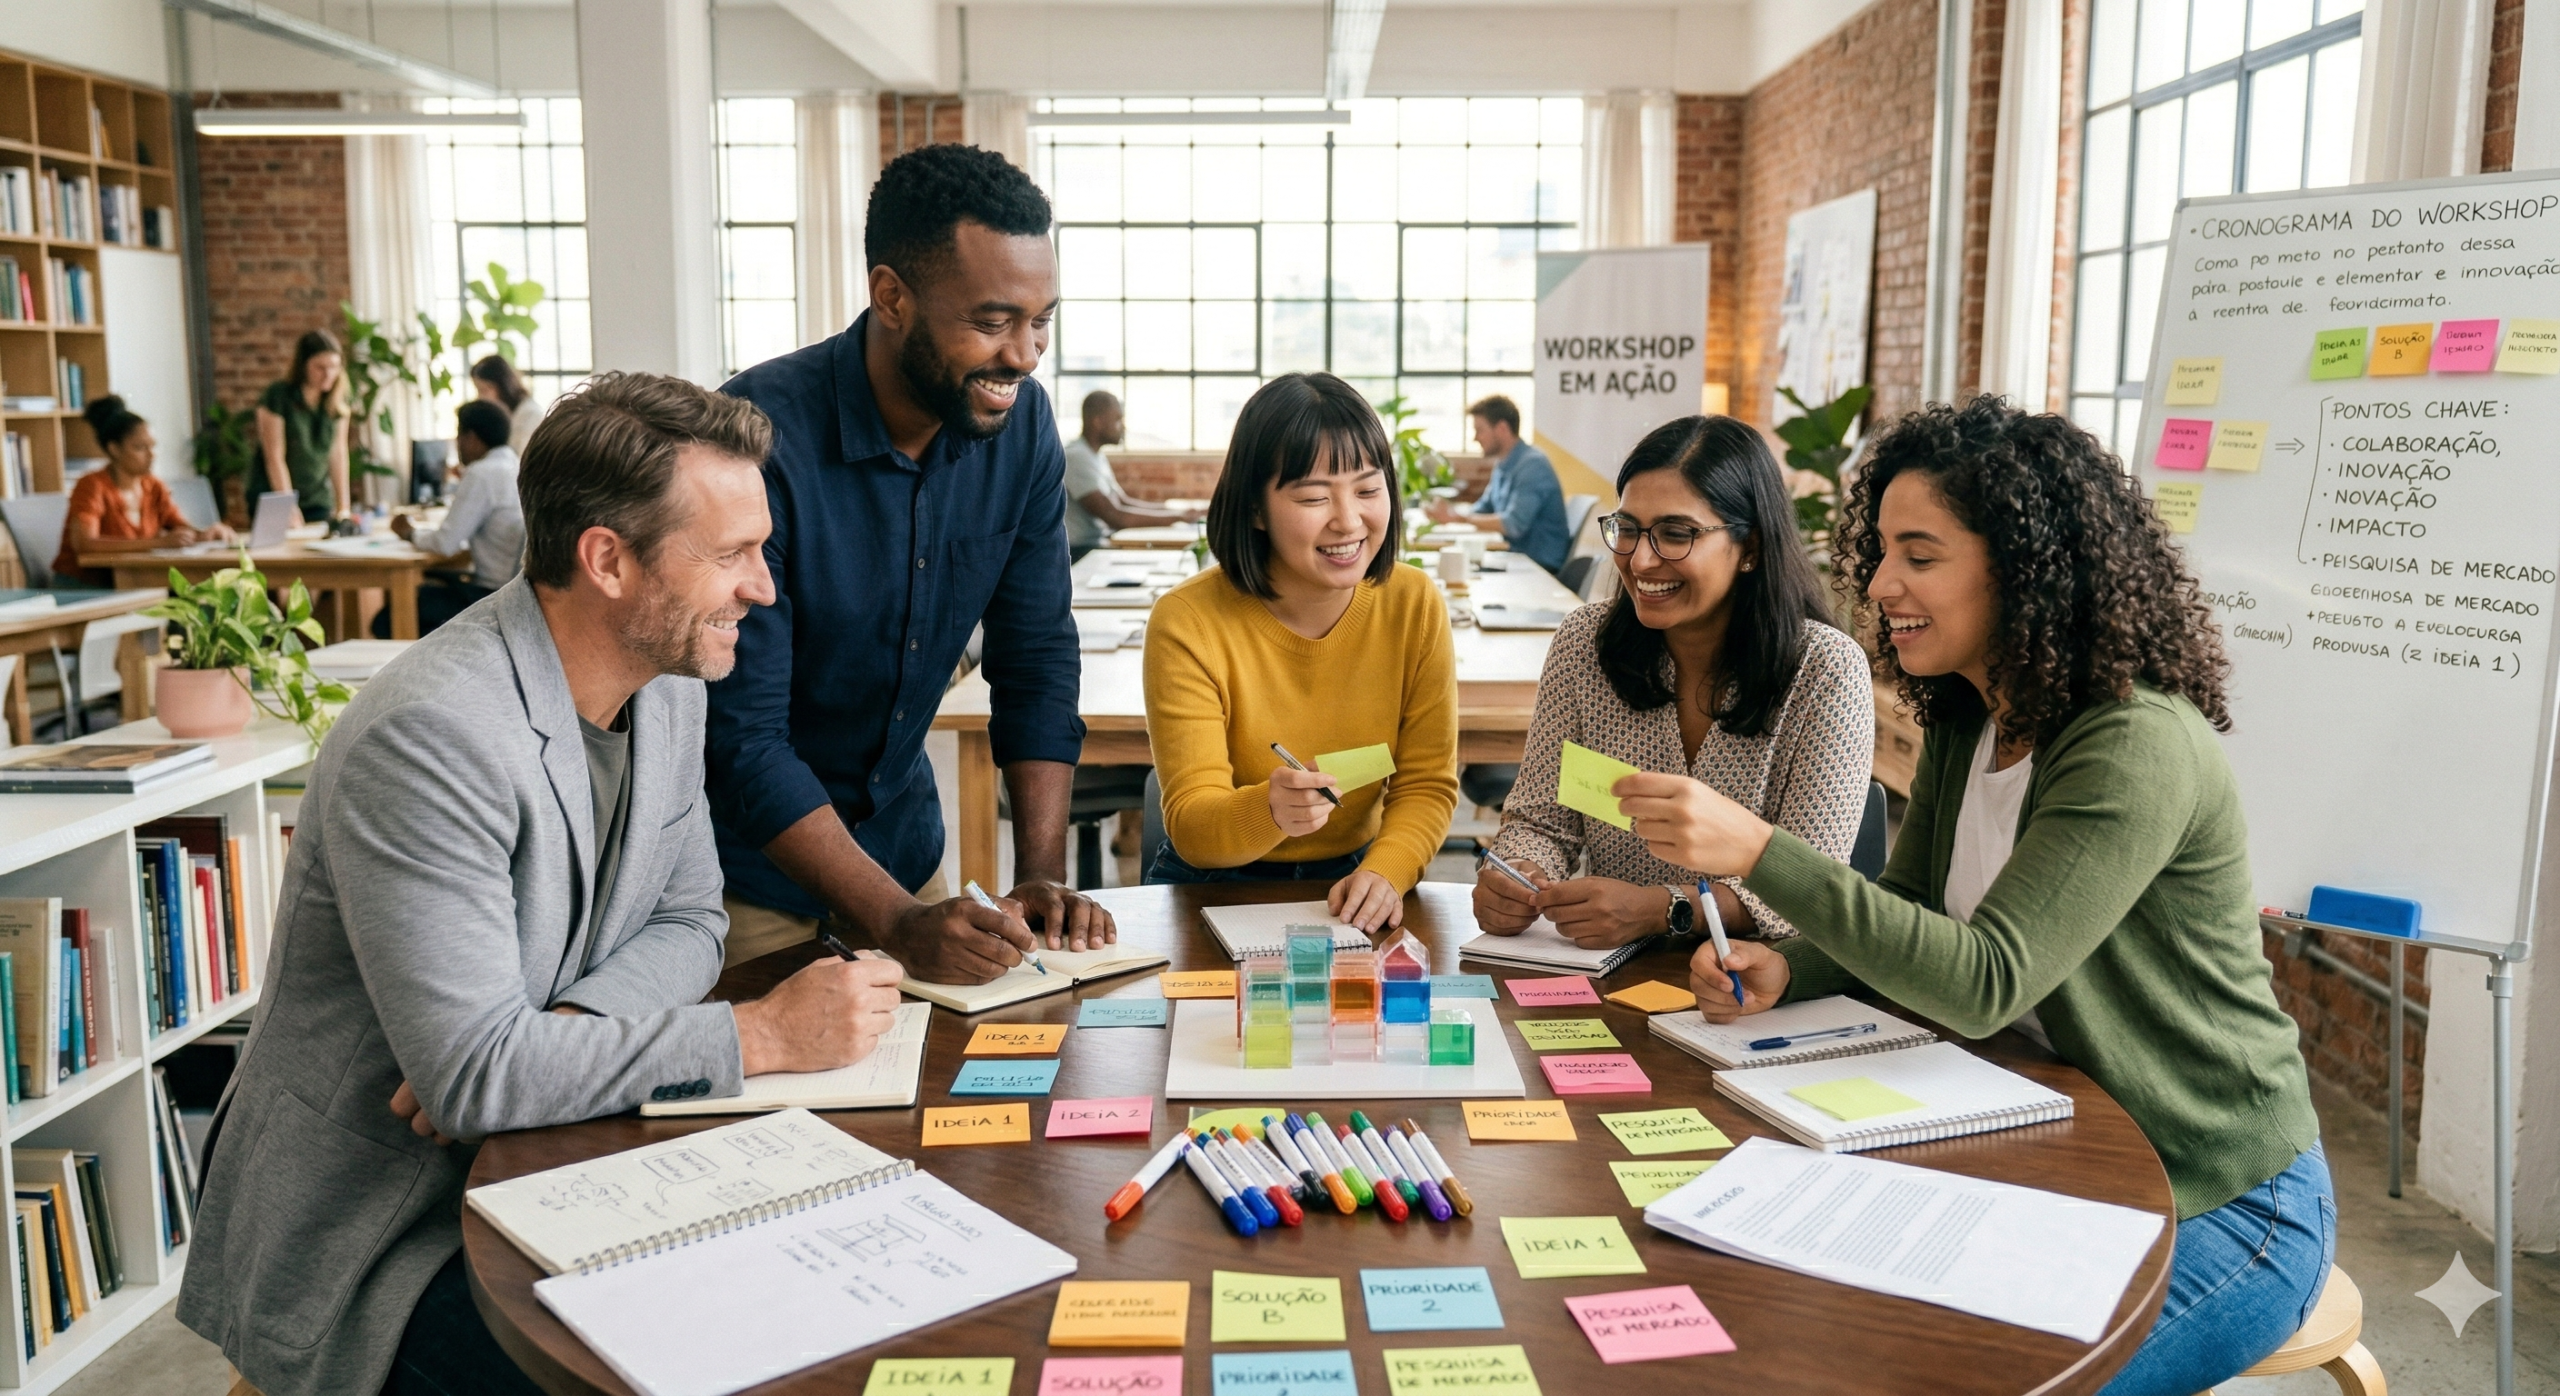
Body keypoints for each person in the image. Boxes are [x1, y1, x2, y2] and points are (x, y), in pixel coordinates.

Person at [175, 371, 908, 1396]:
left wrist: (560, 1028)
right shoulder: (432, 733)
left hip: (553, 1161)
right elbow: (474, 1081)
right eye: (734, 554)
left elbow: (690, 913)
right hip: (389, 1231)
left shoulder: (668, 686)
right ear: (607, 559)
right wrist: (764, 1035)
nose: (764, 588)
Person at [1613, 397, 2330, 1396]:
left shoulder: (2133, 743)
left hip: (2215, 1195)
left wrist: (1760, 852)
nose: (1881, 584)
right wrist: (1791, 965)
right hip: (2040, 1135)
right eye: (1879, 552)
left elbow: (1984, 979)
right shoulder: (1967, 713)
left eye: (1920, 554)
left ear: (2023, 566)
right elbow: (1915, 920)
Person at [709, 143, 1115, 978]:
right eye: (992, 322)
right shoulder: (754, 437)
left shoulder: (1025, 429)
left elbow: (1035, 653)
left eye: (1041, 322)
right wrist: (896, 923)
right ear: (891, 295)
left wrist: (1037, 872)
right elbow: (744, 739)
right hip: (746, 885)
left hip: (908, 857)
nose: (1026, 356)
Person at [1474, 415, 1872, 949]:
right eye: (1629, 528)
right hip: (1606, 972)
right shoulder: (1584, 645)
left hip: (1758, 985)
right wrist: (1516, 876)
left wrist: (1666, 909)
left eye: (1675, 534)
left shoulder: (1825, 671)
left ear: (1750, 546)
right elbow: (1543, 821)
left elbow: (1813, 888)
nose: (1639, 558)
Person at [1142, 372, 1459, 931]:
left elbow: (1425, 783)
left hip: (1360, 881)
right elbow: (1191, 820)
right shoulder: (1188, 621)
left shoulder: (1413, 603)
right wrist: (1269, 810)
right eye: (1314, 496)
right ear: (1255, 509)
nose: (1348, 520)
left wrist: (1387, 871)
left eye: (1368, 489)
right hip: (1214, 886)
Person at [377, 399, 525, 636]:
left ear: (472, 438)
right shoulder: (516, 466)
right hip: (513, 592)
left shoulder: (482, 473)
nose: (457, 445)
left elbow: (446, 543)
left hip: (489, 595)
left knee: (388, 618)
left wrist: (409, 532)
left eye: (459, 437)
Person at [53, 396, 228, 584]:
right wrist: (159, 543)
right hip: (85, 584)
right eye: (140, 448)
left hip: (136, 579)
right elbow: (85, 544)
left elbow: (179, 526)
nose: (151, 455)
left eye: (152, 446)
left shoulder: (153, 486)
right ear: (114, 449)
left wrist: (207, 534)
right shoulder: (92, 486)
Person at [1427, 395, 1569, 574]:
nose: (1475, 438)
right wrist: (1449, 513)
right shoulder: (1503, 463)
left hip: (1537, 565)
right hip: (1514, 557)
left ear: (1502, 428)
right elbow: (1483, 508)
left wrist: (1458, 518)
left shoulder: (1533, 465)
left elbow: (1513, 525)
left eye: (1480, 430)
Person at [1063, 389, 1201, 560]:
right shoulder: (1077, 456)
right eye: (1117, 420)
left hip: (1099, 543)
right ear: (1097, 422)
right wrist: (1177, 517)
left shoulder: (1095, 455)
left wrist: (1174, 510)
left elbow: (1123, 501)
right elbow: (1115, 517)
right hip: (1081, 551)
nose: (1123, 427)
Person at [256, 328, 352, 523]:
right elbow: (275, 457)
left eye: (334, 366)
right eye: (320, 367)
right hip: (277, 498)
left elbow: (338, 453)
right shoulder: (279, 396)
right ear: (303, 366)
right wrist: (288, 506)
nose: (328, 374)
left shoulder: (338, 400)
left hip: (317, 500)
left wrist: (344, 507)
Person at [474, 353, 545, 451]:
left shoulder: (530, 414)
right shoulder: (500, 415)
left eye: (485, 390)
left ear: (503, 385)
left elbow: (521, 458)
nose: (480, 397)